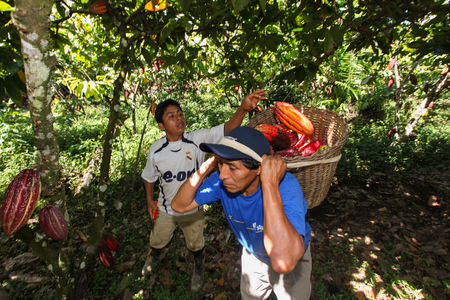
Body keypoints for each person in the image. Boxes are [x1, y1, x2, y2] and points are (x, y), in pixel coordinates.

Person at [141, 90, 266, 291]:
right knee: (158, 240)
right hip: (165, 209)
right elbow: (149, 177)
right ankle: (154, 257)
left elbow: (227, 130)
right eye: (171, 116)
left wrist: (242, 109)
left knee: (195, 244)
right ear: (161, 126)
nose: (178, 118)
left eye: (180, 113)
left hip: (192, 207)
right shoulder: (156, 149)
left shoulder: (196, 139)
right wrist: (149, 201)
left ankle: (198, 267)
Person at [171, 126, 312, 299]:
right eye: (220, 164)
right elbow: (179, 205)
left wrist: (269, 184)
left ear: (258, 168)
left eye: (232, 167)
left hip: (290, 257)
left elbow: (284, 262)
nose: (222, 175)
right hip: (254, 257)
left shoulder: (286, 187)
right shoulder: (221, 182)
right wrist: (207, 167)